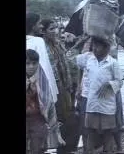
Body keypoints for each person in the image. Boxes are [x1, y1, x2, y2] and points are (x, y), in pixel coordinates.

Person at [76, 36, 123, 154]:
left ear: (106, 48)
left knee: (108, 132)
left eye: (98, 46)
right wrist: (80, 42)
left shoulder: (113, 63)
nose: (95, 49)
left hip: (107, 105)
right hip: (91, 104)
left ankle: (108, 150)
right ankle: (88, 151)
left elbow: (120, 81)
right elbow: (72, 59)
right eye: (94, 46)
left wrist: (109, 84)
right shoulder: (88, 59)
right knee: (90, 131)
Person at [40, 19, 75, 153]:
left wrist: (69, 84)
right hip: (53, 87)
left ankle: (65, 146)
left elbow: (65, 64)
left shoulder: (58, 44)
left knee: (66, 115)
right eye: (51, 29)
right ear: (43, 32)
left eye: (56, 28)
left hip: (64, 84)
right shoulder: (43, 47)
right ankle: (57, 146)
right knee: (57, 117)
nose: (55, 31)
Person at [26, 49, 65, 154]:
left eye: (34, 63)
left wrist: (57, 134)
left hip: (38, 120)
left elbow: (50, 105)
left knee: (38, 149)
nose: (31, 66)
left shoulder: (42, 79)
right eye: (27, 63)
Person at [26, 13, 59, 104]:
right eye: (39, 23)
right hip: (40, 89)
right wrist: (50, 92)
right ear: (33, 26)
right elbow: (45, 68)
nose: (41, 26)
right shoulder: (38, 41)